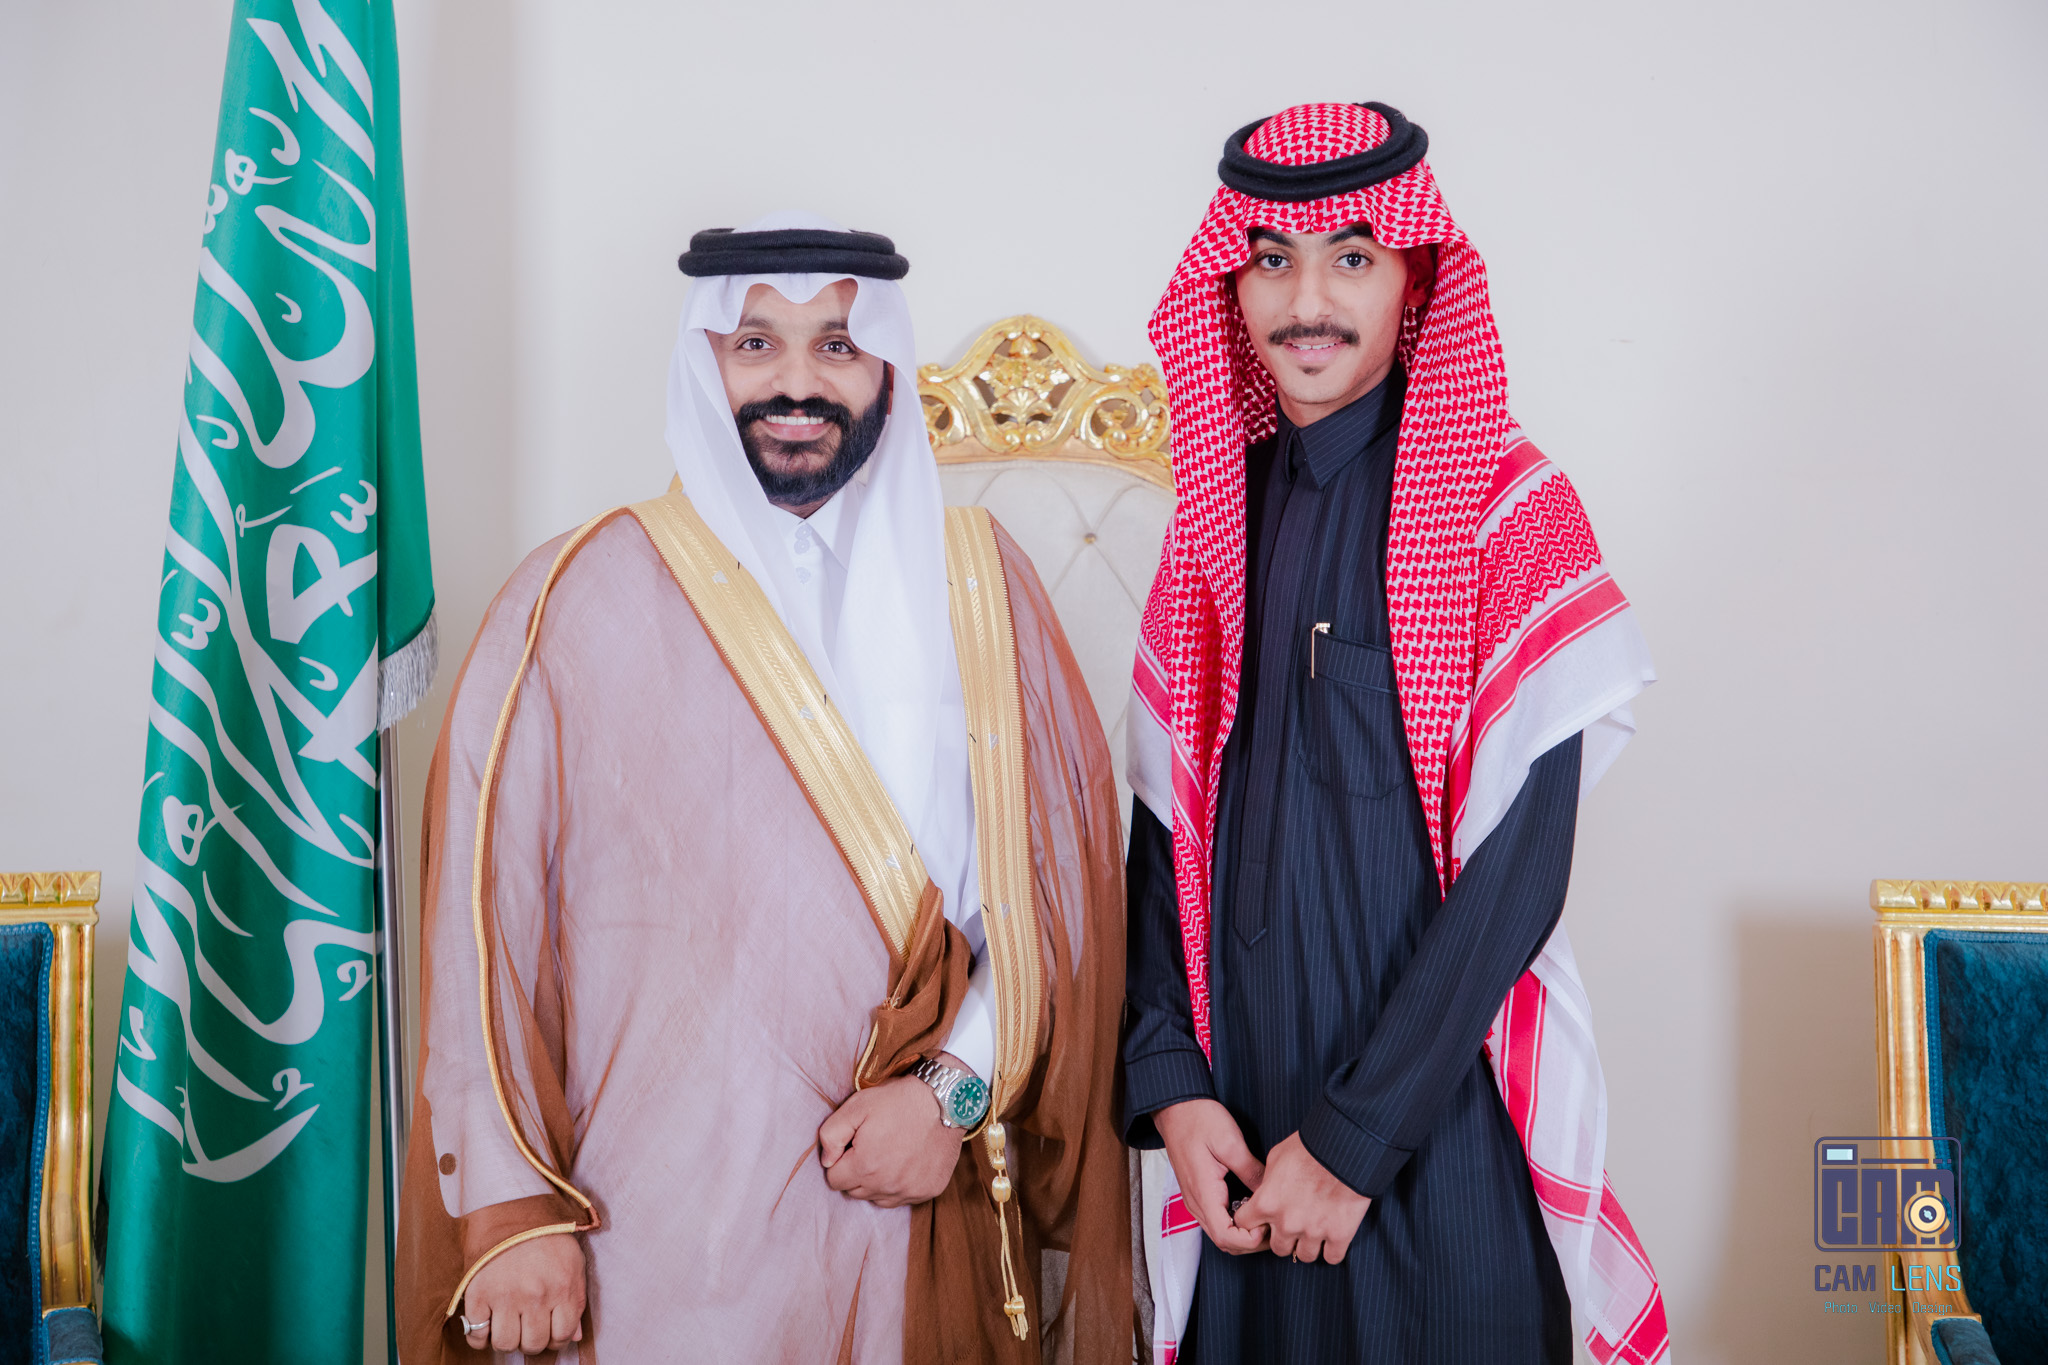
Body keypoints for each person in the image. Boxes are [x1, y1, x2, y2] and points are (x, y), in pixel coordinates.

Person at [396, 212, 1131, 1362]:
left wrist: (947, 1095)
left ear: (884, 366)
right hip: (654, 1238)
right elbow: (481, 928)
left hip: (904, 1210)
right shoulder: (571, 598)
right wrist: (511, 1209)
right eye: (756, 344)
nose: (796, 382)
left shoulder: (979, 589)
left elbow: (1052, 903)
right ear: (704, 361)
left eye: (835, 344)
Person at [1121, 103, 1672, 1364]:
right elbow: (1163, 822)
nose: (1306, 300)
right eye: (1271, 259)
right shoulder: (1212, 520)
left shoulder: (1504, 512)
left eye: (1352, 257)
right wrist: (1171, 1084)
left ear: (1414, 276)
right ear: (1229, 285)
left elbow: (1516, 874)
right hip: (1239, 1154)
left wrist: (1353, 1142)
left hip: (1433, 1147)